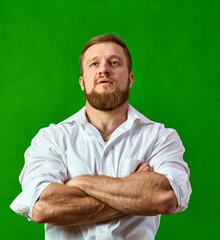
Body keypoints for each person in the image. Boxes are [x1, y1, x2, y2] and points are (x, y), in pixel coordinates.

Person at [10, 34, 192, 239]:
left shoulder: (160, 137)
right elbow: (44, 207)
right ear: (82, 82)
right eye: (94, 63)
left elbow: (165, 198)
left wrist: (81, 182)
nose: (104, 69)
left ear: (130, 79)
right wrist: (135, 195)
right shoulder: (51, 138)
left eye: (114, 62)